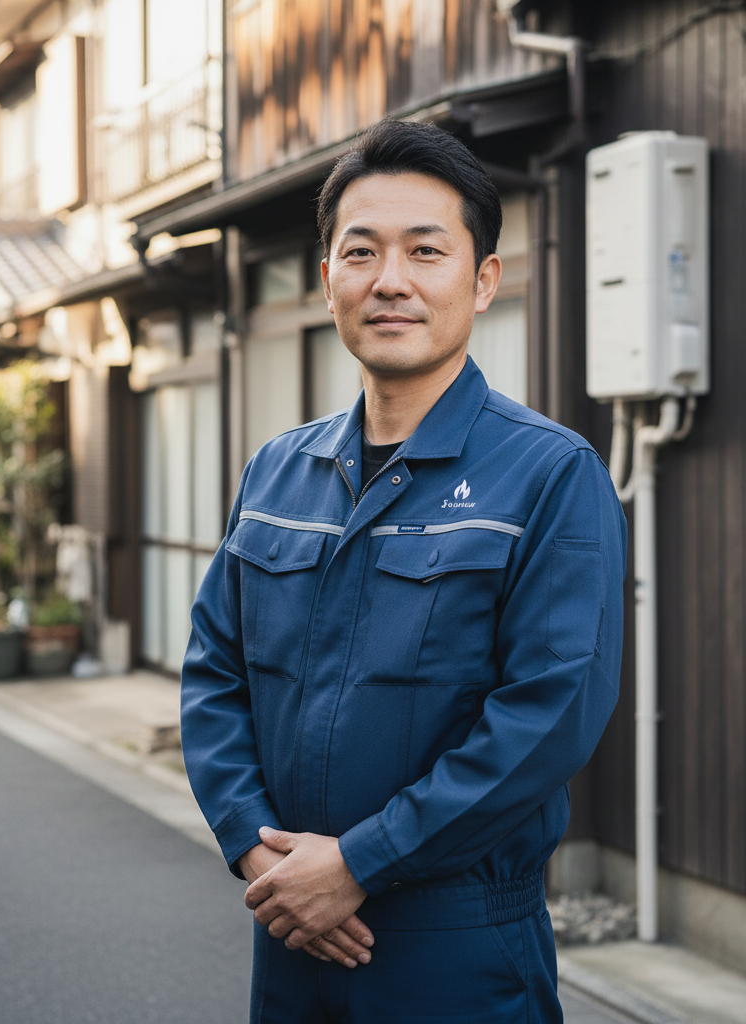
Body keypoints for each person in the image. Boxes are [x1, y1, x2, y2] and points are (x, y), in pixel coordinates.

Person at [181, 118, 626, 1023]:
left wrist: (360, 863)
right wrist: (257, 850)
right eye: (361, 252)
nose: (390, 280)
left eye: (426, 251)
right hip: (289, 925)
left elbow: (548, 716)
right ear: (328, 281)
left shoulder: (548, 474)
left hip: (456, 942)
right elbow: (214, 673)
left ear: (483, 280)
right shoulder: (278, 471)